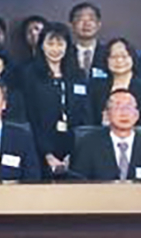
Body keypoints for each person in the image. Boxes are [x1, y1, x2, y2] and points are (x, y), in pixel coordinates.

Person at [20, 22, 92, 176]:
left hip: (74, 150)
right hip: (39, 149)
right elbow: (30, 117)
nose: (55, 49)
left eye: (60, 43)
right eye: (50, 43)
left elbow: (85, 115)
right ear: (42, 46)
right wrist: (47, 154)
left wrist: (74, 152)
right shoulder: (30, 74)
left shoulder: (77, 74)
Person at [70, 89, 141, 181]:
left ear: (137, 115)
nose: (124, 113)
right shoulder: (88, 144)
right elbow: (78, 184)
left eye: (129, 107)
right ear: (106, 115)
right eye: (117, 107)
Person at [87, 38, 141, 129]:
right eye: (113, 57)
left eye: (124, 56)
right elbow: (90, 122)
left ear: (132, 58)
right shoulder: (96, 89)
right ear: (106, 60)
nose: (119, 61)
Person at [69, 2, 109, 75]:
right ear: (72, 25)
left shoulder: (108, 53)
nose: (86, 24)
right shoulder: (65, 53)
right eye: (80, 19)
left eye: (91, 19)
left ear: (99, 24)